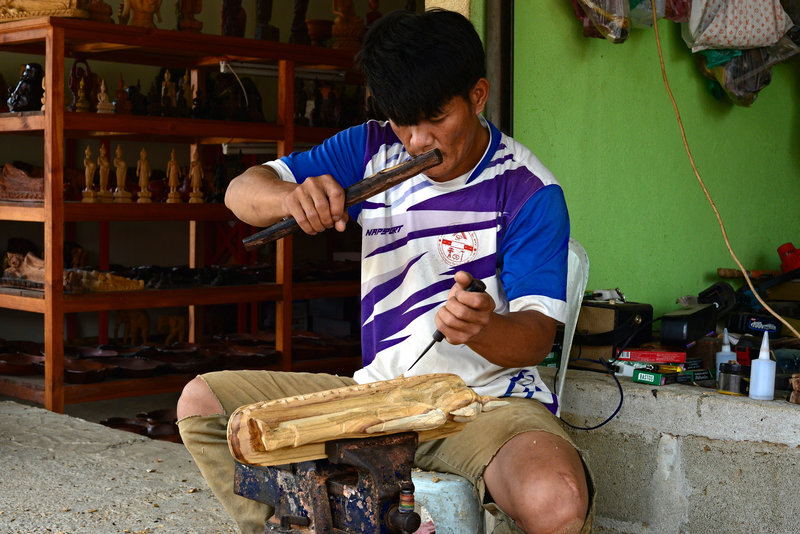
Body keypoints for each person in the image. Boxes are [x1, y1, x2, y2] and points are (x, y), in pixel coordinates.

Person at [177, 9, 592, 534]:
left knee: (555, 501)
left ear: (478, 95)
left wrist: (484, 329)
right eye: (404, 121)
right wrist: (291, 197)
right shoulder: (372, 149)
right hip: (376, 401)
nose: (418, 140)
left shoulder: (529, 191)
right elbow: (242, 192)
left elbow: (535, 340)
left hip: (486, 406)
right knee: (204, 405)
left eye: (436, 119)